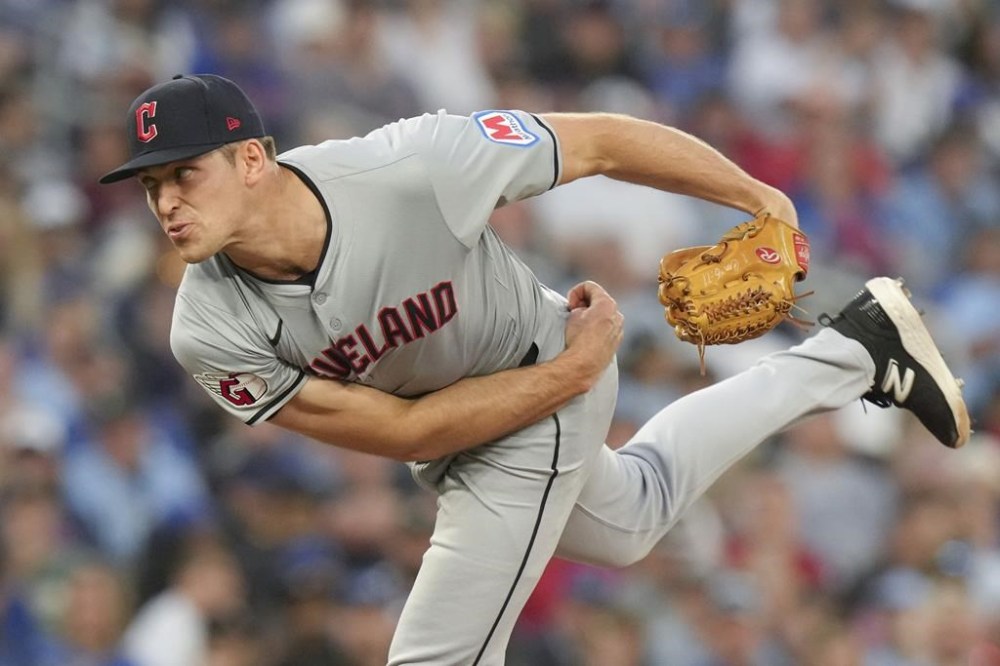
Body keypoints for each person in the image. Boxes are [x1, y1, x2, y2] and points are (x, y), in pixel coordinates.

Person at [99, 74, 970, 665]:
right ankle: (853, 347)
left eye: (186, 173)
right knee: (632, 516)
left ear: (252, 159)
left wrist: (760, 200)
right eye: (151, 185)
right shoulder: (206, 328)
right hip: (494, 412)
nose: (167, 201)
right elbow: (400, 430)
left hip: (537, 377)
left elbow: (600, 141)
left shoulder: (409, 168)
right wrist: (578, 369)